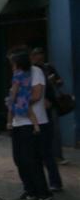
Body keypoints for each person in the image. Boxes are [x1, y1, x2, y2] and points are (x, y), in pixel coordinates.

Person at [6, 48, 53, 200]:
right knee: (19, 159)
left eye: (13, 63)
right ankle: (30, 190)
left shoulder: (36, 72)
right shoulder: (17, 75)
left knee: (32, 159)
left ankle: (43, 193)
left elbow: (37, 94)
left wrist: (19, 103)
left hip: (34, 122)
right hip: (18, 122)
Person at [30, 47, 64, 191]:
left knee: (43, 152)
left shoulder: (38, 71)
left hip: (41, 117)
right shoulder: (27, 73)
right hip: (32, 119)